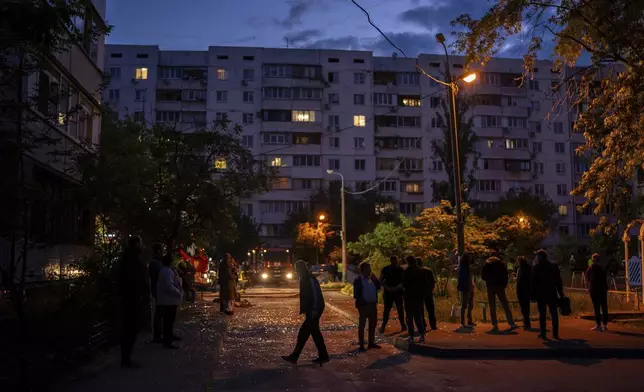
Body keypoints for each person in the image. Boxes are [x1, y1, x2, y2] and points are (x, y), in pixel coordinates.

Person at [282, 260, 329, 365]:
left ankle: (295, 356)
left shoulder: (309, 279)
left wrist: (314, 311)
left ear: (301, 269)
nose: (296, 272)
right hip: (312, 310)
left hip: (314, 310)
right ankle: (323, 356)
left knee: (303, 333)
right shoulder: (305, 278)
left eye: (297, 269)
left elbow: (316, 295)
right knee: (315, 333)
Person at [118, 235, 148, 368]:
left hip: (128, 299)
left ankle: (125, 357)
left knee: (128, 329)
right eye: (140, 244)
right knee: (130, 330)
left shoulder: (125, 260)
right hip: (132, 300)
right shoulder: (134, 262)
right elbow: (138, 281)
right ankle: (126, 359)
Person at [531, 249, 565, 340]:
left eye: (537, 256)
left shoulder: (536, 268)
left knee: (542, 314)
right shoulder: (553, 267)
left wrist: (533, 296)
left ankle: (543, 333)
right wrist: (561, 293)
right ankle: (555, 334)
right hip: (552, 293)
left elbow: (533, 283)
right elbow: (558, 281)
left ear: (539, 257)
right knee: (554, 313)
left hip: (541, 294)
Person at [481, 256, 518, 332]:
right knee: (505, 304)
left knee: (492, 306)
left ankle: (495, 325)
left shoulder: (487, 264)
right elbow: (505, 275)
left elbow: (483, 276)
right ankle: (511, 323)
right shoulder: (501, 264)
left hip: (490, 286)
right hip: (499, 286)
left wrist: (488, 280)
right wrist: (504, 284)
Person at [353, 262, 382, 351]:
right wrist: (362, 302)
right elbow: (356, 294)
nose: (369, 270)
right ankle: (361, 345)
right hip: (364, 305)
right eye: (367, 268)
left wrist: (375, 280)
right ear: (363, 270)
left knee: (372, 324)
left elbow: (379, 287)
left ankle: (371, 342)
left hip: (372, 304)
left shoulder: (371, 279)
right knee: (362, 325)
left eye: (369, 268)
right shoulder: (358, 279)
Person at [156, 253, 183, 349]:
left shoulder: (167, 270)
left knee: (169, 321)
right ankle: (167, 341)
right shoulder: (167, 271)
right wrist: (178, 292)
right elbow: (169, 286)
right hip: (169, 300)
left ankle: (169, 337)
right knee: (168, 321)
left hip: (169, 300)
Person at [379, 256, 406, 333]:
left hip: (389, 292)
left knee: (387, 310)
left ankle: (383, 327)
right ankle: (403, 326)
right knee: (399, 309)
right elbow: (404, 281)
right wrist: (397, 287)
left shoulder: (386, 269)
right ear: (396, 260)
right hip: (397, 292)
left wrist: (387, 287)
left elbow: (380, 280)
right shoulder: (400, 269)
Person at [402, 255, 426, 342]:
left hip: (409, 296)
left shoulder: (407, 271)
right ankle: (422, 334)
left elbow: (404, 283)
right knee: (418, 316)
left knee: (409, 317)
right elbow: (424, 283)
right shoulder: (421, 271)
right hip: (418, 296)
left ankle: (411, 335)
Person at [586, 253, 609, 331]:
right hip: (603, 290)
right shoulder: (603, 268)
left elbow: (589, 278)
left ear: (593, 260)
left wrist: (589, 288)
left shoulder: (591, 268)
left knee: (596, 308)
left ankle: (598, 325)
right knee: (604, 307)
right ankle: (605, 325)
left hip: (595, 290)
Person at [148, 243, 164, 343]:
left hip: (158, 291)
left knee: (159, 314)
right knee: (158, 314)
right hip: (158, 291)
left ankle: (159, 334)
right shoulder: (156, 263)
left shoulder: (156, 262)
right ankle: (157, 335)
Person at [416, 257, 437, 331]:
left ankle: (423, 324)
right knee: (431, 310)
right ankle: (433, 325)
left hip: (419, 293)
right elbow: (433, 282)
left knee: (420, 310)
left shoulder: (416, 271)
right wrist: (430, 290)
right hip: (428, 292)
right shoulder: (428, 270)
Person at [456, 252, 475, 328]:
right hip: (465, 287)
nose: (471, 259)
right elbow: (464, 278)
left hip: (469, 286)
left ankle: (469, 321)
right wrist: (468, 286)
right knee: (464, 305)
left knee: (470, 304)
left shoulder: (466, 266)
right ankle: (462, 322)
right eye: (469, 257)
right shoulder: (463, 266)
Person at [516, 256, 532, 330]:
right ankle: (527, 322)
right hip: (528, 289)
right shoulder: (529, 268)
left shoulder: (520, 269)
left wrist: (514, 277)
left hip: (521, 289)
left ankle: (526, 322)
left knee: (523, 307)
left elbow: (518, 279)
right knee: (527, 306)